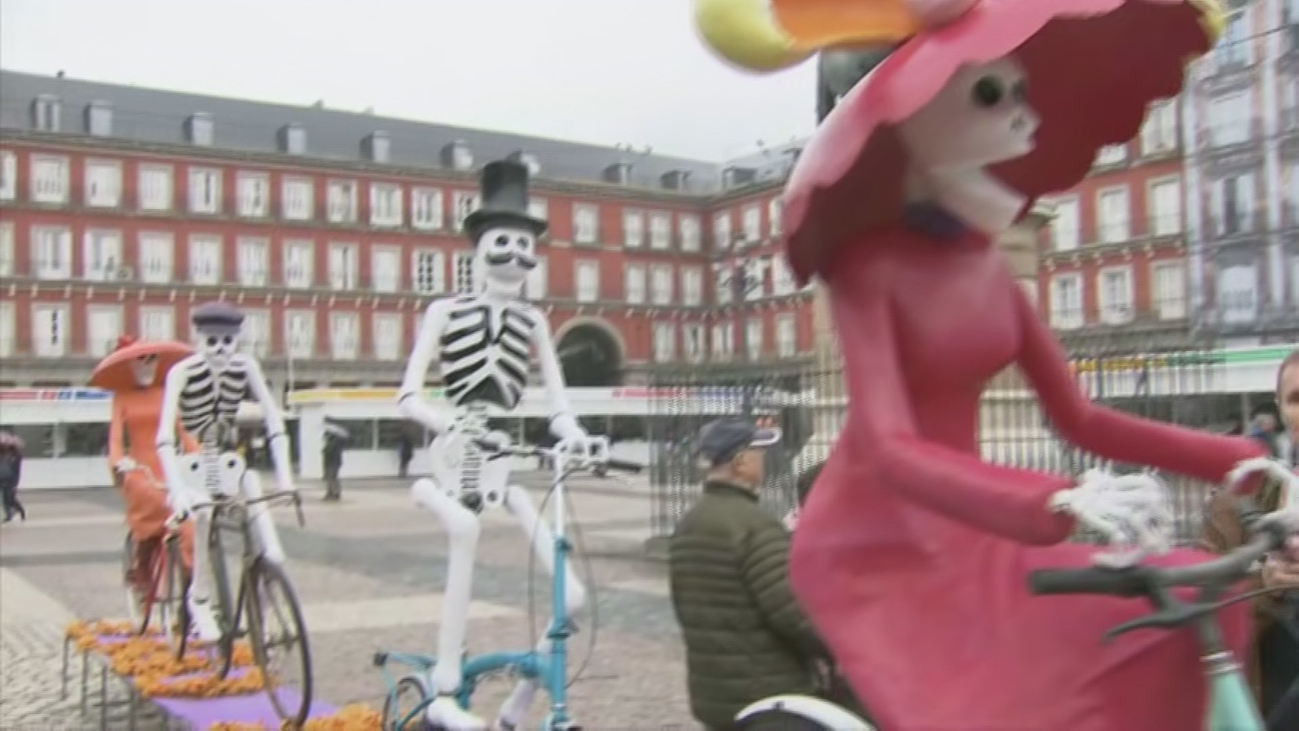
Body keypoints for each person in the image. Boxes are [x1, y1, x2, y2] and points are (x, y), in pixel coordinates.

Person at [669, 419, 846, 730]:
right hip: (767, 693)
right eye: (759, 453)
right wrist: (843, 650)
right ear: (741, 462)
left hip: (715, 692)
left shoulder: (688, 525)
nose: (764, 461)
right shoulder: (754, 525)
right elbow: (793, 612)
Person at [1203, 349, 1299, 730]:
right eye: (1296, 399)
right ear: (1282, 413)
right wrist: (1267, 586)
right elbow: (1201, 603)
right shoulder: (1237, 502)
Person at [91, 336, 200, 584]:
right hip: (140, 467)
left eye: (152, 360)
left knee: (188, 514)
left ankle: (189, 574)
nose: (147, 366)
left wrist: (197, 456)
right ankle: (143, 565)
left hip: (169, 464)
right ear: (130, 367)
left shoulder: (166, 392)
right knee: (151, 499)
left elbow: (183, 430)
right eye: (141, 361)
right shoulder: (122, 397)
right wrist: (118, 461)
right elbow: (116, 437)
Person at [0, 435, 25, 523]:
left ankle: (21, 511)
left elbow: (17, 470)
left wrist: (15, 483)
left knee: (10, 498)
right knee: (5, 499)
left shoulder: (16, 456)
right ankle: (9, 516)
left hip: (10, 479)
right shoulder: (2, 454)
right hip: (2, 478)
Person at [322, 430, 344, 502]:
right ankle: (334, 493)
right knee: (333, 478)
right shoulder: (336, 442)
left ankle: (332, 493)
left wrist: (324, 450)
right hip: (334, 462)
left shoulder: (333, 443)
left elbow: (328, 452)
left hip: (332, 463)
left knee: (331, 478)